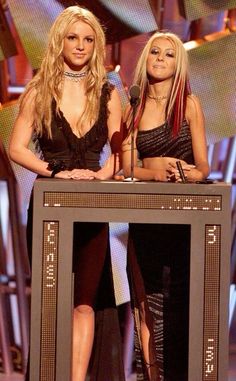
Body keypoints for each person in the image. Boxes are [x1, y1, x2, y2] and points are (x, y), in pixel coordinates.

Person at [9, 5, 124, 381]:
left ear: (97, 45)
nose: (80, 46)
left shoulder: (108, 93)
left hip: (91, 205)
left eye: (88, 39)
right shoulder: (39, 90)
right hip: (49, 208)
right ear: (60, 41)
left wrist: (100, 177)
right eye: (73, 38)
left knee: (85, 303)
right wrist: (57, 171)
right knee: (51, 303)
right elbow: (17, 147)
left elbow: (120, 154)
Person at [122, 31, 210, 381]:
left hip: (184, 218)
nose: (159, 58)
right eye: (155, 52)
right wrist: (153, 176)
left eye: (169, 55)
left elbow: (204, 165)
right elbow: (127, 166)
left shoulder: (189, 104)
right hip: (146, 214)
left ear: (179, 64)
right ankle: (150, 375)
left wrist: (191, 173)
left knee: (180, 299)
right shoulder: (136, 106)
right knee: (148, 302)